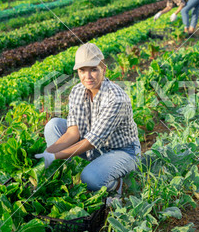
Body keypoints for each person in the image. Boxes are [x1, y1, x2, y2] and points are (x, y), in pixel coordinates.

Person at [34, 43, 141, 196]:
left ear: (103, 69)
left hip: (122, 151)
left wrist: (55, 156)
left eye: (93, 69)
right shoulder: (78, 91)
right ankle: (65, 177)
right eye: (82, 70)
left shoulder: (116, 99)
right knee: (54, 126)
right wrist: (46, 154)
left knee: (90, 179)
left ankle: (116, 184)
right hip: (94, 150)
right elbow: (73, 133)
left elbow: (92, 141)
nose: (87, 76)